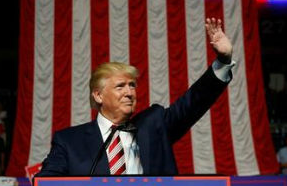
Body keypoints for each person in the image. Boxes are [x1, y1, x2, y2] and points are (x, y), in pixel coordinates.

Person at [37, 18, 234, 176]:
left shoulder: (154, 124)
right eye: (120, 86)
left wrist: (223, 60)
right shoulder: (69, 141)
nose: (129, 92)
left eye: (132, 86)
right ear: (98, 95)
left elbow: (193, 103)